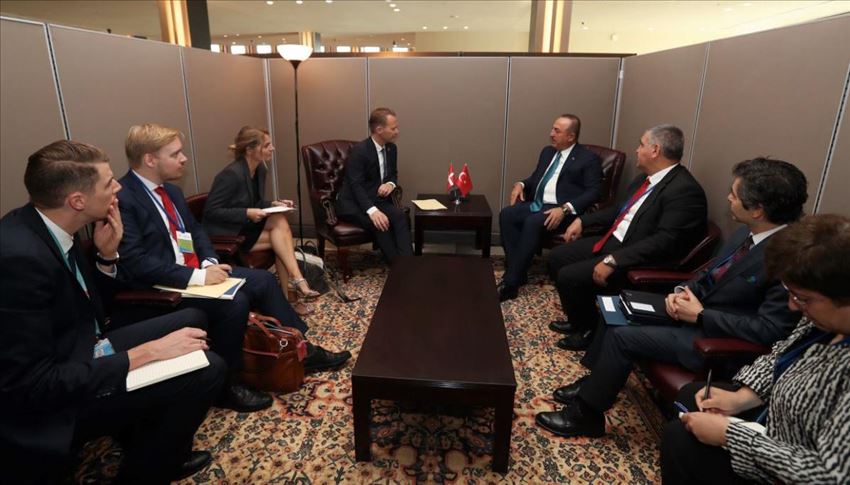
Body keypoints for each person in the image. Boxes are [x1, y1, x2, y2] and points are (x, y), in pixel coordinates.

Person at [0, 140, 226, 484]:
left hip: (80, 348)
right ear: (77, 201)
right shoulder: (19, 259)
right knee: (208, 369)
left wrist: (106, 256)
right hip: (50, 403)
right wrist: (147, 353)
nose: (118, 187)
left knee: (193, 317)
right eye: (108, 183)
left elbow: (93, 310)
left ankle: (147, 438)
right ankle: (146, 470)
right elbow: (34, 385)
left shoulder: (50, 225)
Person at [536, 157, 808, 438]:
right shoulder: (746, 233)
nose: (728, 197)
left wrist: (701, 315)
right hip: (692, 311)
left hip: (715, 339)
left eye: (734, 194)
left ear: (758, 210)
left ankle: (585, 416)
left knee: (621, 337)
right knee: (618, 307)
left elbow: (771, 330)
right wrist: (681, 292)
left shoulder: (789, 259)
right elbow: (709, 273)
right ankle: (595, 382)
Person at [116, 123, 351, 413]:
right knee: (235, 302)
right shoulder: (124, 199)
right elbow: (136, 262)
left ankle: (302, 348)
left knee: (263, 281)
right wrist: (198, 276)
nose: (184, 159)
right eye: (175, 154)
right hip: (164, 286)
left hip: (195, 272)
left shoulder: (172, 192)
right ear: (150, 159)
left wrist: (209, 262)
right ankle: (226, 384)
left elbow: (196, 232)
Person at [661, 214, 850, 484]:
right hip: (776, 424)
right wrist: (743, 397)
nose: (792, 306)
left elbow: (831, 476)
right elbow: (781, 353)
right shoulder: (821, 320)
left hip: (791, 466)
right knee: (692, 395)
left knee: (681, 441)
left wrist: (731, 436)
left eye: (803, 298)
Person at [548, 124, 708, 349]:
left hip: (634, 254)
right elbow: (619, 210)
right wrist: (583, 221)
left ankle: (588, 331)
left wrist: (614, 260)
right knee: (557, 257)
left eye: (641, 145)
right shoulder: (646, 179)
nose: (636, 150)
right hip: (614, 240)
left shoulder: (684, 190)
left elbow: (665, 242)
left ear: (655, 150)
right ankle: (579, 320)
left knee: (569, 276)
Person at [203, 126, 320, 315]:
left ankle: (291, 291)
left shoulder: (259, 170)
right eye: (267, 145)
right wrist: (246, 212)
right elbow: (211, 211)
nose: (272, 148)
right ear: (250, 149)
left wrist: (274, 203)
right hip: (228, 235)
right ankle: (296, 285)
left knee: (279, 226)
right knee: (281, 238)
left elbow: (255, 202)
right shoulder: (230, 175)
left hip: (245, 227)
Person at [497, 114, 602, 302]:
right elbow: (536, 178)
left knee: (532, 222)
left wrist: (565, 208)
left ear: (571, 136)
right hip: (539, 204)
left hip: (564, 211)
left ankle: (511, 283)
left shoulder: (588, 159)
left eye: (557, 131)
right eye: (552, 129)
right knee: (507, 214)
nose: (551, 134)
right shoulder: (547, 152)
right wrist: (521, 184)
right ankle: (518, 272)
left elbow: (594, 192)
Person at [335, 107, 412, 263]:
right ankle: (398, 267)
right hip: (353, 203)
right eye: (393, 128)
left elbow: (393, 174)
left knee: (400, 217)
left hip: (376, 199)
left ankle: (408, 263)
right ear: (379, 130)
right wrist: (373, 211)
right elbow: (356, 186)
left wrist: (390, 184)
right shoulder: (360, 151)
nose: (397, 131)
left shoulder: (391, 148)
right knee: (381, 224)